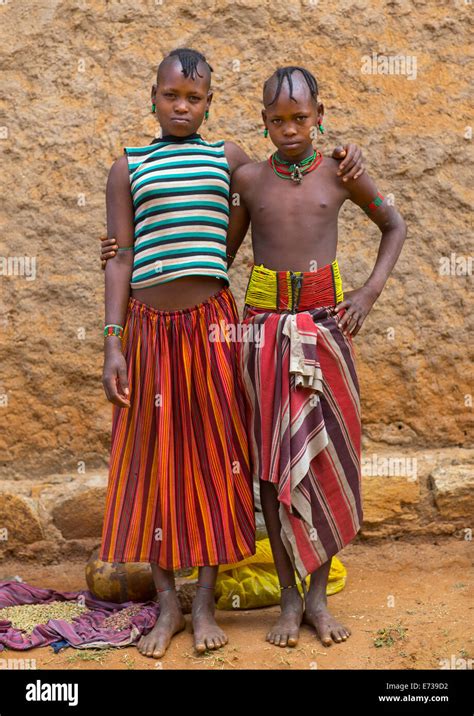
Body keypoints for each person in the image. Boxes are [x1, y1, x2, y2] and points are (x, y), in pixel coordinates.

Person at [99, 50, 366, 658]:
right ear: (154, 97)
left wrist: (349, 156)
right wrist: (113, 342)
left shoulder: (230, 161)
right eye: (171, 97)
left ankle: (205, 601)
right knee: (154, 456)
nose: (182, 107)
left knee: (219, 454)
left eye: (194, 98)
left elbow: (281, 188)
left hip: (217, 328)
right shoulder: (127, 167)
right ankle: (167, 605)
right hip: (146, 329)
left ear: (211, 103)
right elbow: (119, 256)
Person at [224, 65, 407, 649]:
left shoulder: (342, 171)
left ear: (320, 116)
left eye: (300, 118)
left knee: (325, 461)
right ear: (263, 123)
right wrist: (128, 254)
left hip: (327, 330)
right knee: (273, 467)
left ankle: (319, 602)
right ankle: (287, 600)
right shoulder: (250, 181)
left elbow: (394, 224)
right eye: (277, 120)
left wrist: (368, 293)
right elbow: (215, 256)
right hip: (262, 336)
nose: (290, 129)